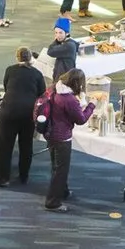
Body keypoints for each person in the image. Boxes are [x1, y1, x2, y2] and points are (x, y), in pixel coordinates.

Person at [42, 69, 93, 212]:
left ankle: (62, 192)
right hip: (62, 137)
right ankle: (52, 202)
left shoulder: (54, 89)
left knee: (56, 167)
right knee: (61, 170)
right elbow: (81, 119)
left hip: (50, 133)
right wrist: (91, 105)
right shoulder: (68, 99)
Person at [0, 47, 45, 187]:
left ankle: (3, 178)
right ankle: (23, 176)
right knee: (26, 145)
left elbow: (6, 87)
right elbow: (42, 94)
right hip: (27, 113)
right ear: (30, 58)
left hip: (8, 111)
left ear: (17, 58)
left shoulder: (10, 70)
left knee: (5, 145)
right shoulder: (37, 74)